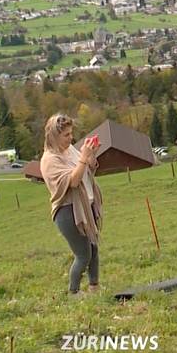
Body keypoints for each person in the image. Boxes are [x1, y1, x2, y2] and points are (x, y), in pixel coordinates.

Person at [40, 114, 103, 295]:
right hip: (68, 211)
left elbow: (87, 170)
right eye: (66, 135)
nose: (71, 138)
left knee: (93, 248)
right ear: (54, 136)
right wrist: (83, 158)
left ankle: (94, 288)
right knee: (83, 255)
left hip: (85, 207)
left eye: (70, 133)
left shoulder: (70, 150)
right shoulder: (50, 160)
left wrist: (90, 155)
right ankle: (73, 292)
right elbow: (73, 181)